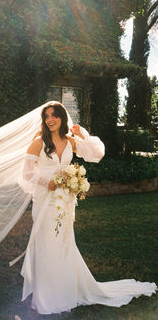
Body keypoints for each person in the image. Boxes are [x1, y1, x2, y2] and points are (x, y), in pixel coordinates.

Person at [19, 101, 157, 314]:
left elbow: (96, 154)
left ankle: (64, 289)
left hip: (64, 201)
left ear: (62, 118)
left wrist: (81, 134)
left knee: (63, 243)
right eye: (47, 116)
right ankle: (47, 295)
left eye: (55, 115)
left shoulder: (70, 141)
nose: (50, 119)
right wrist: (46, 182)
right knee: (46, 243)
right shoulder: (38, 142)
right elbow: (26, 173)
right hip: (45, 199)